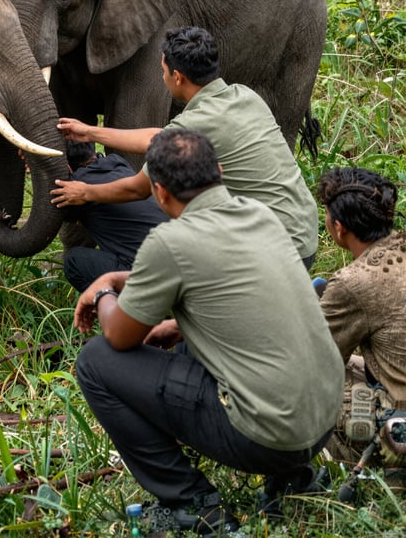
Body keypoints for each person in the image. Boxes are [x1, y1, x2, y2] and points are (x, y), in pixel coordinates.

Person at [73, 129, 344, 535]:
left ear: (160, 193)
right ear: (218, 171)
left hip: (267, 438)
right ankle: (292, 478)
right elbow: (233, 289)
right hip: (322, 422)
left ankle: (191, 503)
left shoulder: (171, 244)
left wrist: (104, 290)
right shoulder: (260, 215)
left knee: (94, 362)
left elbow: (119, 336)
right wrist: (178, 324)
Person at [52, 26, 318, 269]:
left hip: (276, 251)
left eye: (163, 70)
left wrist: (85, 192)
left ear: (176, 77)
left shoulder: (197, 120)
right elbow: (158, 137)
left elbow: (137, 188)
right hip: (304, 233)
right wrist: (90, 132)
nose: (162, 76)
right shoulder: (244, 96)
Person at [316, 167, 406, 468]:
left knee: (299, 385)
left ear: (339, 228)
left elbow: (316, 363)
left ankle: (355, 456)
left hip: (398, 428)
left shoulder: (354, 283)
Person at [61, 141, 169, 292]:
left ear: (66, 167)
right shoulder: (118, 163)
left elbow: (47, 217)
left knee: (74, 261)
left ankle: (120, 311)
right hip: (183, 267)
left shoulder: (74, 189)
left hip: (149, 279)